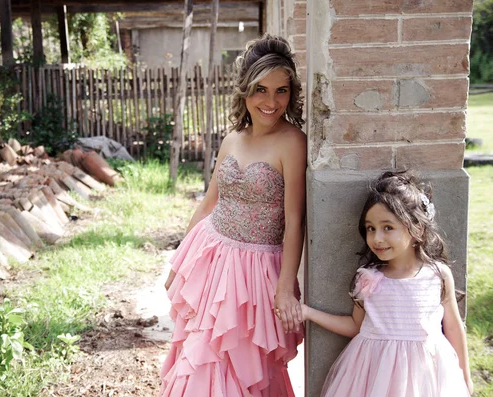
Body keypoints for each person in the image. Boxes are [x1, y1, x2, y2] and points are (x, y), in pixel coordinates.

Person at [160, 34, 307, 396]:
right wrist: (179, 264)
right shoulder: (232, 139)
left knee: (244, 367)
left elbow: (294, 222)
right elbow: (210, 202)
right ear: (244, 90)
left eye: (281, 91)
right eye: (260, 89)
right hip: (211, 259)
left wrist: (285, 288)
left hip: (256, 274)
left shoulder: (292, 141)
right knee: (200, 357)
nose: (271, 102)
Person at [300, 171, 473, 397]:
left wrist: (465, 377)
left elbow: (453, 328)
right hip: (372, 374)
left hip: (425, 377)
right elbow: (355, 325)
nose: (377, 238)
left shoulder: (437, 275)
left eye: (388, 227)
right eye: (371, 228)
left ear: (417, 230)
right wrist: (308, 312)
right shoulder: (369, 277)